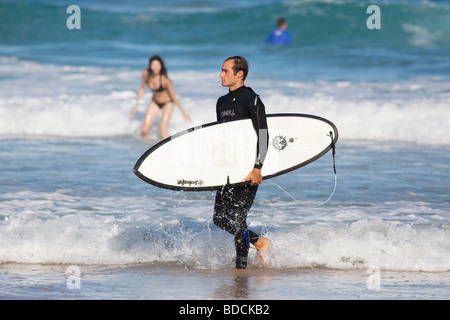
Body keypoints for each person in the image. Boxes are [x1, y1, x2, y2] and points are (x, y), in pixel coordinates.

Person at [214, 56, 272, 270]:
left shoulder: (251, 98)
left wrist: (258, 168)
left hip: (248, 168)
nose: (221, 75)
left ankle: (240, 270)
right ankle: (260, 242)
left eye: (225, 71)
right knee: (220, 219)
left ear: (239, 74)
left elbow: (264, 135)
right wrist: (215, 174)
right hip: (228, 168)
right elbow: (222, 138)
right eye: (221, 71)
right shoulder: (221, 102)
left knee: (238, 219)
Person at [130, 55, 190, 139]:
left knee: (162, 130)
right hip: (155, 102)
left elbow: (173, 96)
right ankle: (146, 146)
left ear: (161, 66)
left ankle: (169, 147)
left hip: (167, 103)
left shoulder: (165, 79)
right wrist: (135, 106)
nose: (155, 67)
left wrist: (183, 112)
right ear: (150, 65)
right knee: (144, 131)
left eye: (157, 65)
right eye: (153, 65)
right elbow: (142, 88)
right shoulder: (146, 73)